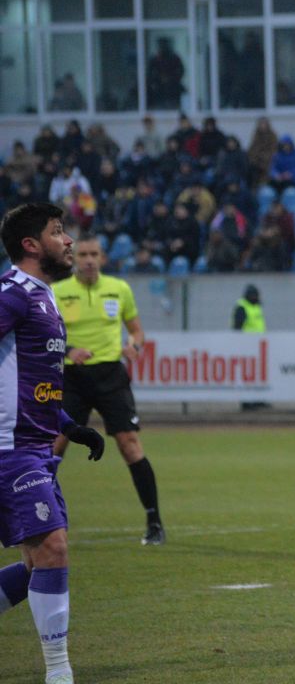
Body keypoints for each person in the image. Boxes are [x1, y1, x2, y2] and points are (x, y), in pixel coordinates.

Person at [0, 203, 106, 684]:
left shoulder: (42, 297)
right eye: (58, 232)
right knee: (54, 549)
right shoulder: (13, 294)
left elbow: (30, 385)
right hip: (10, 451)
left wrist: (70, 424)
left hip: (36, 446)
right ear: (30, 244)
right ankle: (59, 674)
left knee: (33, 563)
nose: (67, 241)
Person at [50, 236, 163, 545]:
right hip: (73, 377)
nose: (88, 259)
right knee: (55, 446)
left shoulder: (119, 289)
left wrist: (134, 345)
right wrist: (69, 349)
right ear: (74, 257)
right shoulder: (58, 292)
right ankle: (39, 516)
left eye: (94, 254)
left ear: (103, 258)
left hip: (111, 375)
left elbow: (137, 330)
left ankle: (154, 521)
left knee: (129, 444)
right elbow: (44, 335)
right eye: (83, 253)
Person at [233, 285, 267, 410]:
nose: (257, 298)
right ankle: (246, 402)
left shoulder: (256, 307)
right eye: (255, 296)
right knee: (247, 374)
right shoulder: (242, 307)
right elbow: (237, 328)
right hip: (246, 346)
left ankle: (258, 399)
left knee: (259, 374)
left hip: (259, 346)